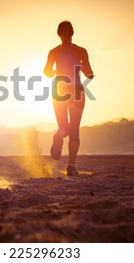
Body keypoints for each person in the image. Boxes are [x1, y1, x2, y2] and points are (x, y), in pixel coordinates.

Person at [44, 21, 94, 176]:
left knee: (64, 128)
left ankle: (58, 136)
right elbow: (89, 73)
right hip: (76, 91)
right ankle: (71, 166)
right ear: (72, 32)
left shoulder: (53, 52)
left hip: (59, 90)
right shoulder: (81, 51)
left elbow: (46, 71)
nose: (65, 35)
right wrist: (86, 72)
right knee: (74, 131)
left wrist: (52, 72)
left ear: (59, 34)